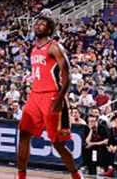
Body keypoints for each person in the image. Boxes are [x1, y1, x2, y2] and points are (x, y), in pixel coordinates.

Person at [16, 16, 82, 179]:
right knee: (24, 133)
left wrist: (60, 100)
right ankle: (21, 176)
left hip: (52, 96)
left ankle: (76, 175)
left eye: (43, 24)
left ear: (50, 29)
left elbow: (68, 76)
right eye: (37, 23)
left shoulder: (54, 47)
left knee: (57, 142)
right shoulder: (33, 49)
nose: (38, 26)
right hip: (35, 95)